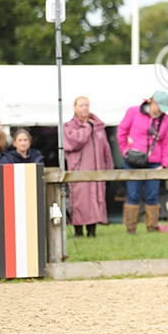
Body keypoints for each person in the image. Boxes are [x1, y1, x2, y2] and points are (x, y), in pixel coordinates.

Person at [117, 90, 168, 234]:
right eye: (159, 107)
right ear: (152, 102)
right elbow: (121, 131)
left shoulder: (166, 120)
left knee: (152, 195)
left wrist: (165, 163)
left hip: (155, 162)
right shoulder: (133, 112)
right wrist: (124, 150)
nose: (161, 111)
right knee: (133, 194)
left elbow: (167, 143)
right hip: (133, 159)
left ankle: (152, 227)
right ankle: (131, 229)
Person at [63, 96, 112, 237]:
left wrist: (109, 167)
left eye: (87, 105)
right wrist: (87, 127)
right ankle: (79, 231)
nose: (84, 108)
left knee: (95, 200)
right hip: (79, 170)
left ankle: (92, 231)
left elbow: (106, 148)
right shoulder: (70, 126)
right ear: (75, 108)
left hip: (97, 170)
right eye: (81, 105)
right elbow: (76, 141)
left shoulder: (98, 126)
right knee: (80, 201)